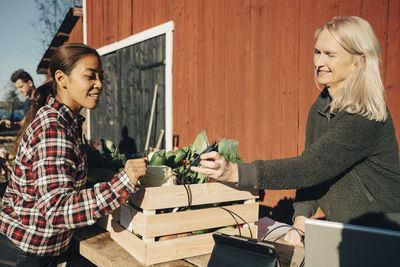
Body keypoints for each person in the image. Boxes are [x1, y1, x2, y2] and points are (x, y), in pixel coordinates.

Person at [191, 16, 400, 247]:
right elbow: (312, 175)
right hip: (341, 230)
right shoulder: (320, 108)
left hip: (382, 232)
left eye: (330, 54)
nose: (319, 62)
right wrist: (300, 224)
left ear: (358, 61)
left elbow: (311, 168)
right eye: (317, 52)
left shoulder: (364, 116)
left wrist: (234, 172)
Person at [0, 43, 147, 266]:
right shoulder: (53, 128)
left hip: (40, 247)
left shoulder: (67, 122)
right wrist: (123, 182)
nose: (99, 84)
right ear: (61, 78)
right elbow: (57, 209)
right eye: (90, 76)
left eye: (101, 76)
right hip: (26, 252)